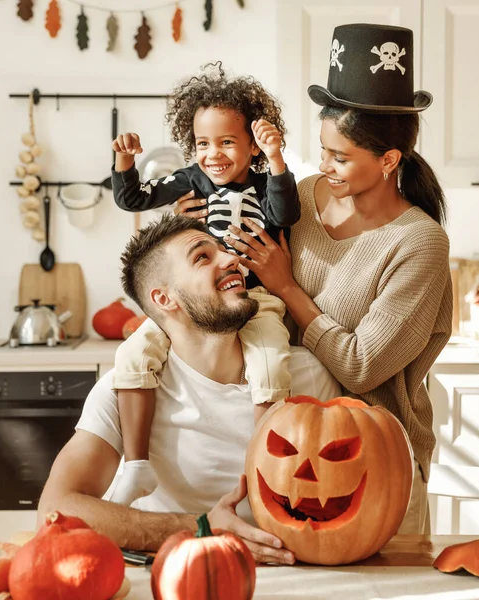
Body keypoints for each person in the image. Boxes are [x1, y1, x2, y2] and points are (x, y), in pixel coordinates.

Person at [192, 23, 453, 535]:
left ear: (389, 160)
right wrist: (195, 220)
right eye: (322, 150)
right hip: (283, 456)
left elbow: (362, 366)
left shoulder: (418, 242)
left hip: (372, 467)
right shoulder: (299, 197)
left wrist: (288, 287)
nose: (325, 167)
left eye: (341, 157)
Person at [37, 214, 341, 563]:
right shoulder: (124, 391)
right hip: (173, 572)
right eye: (202, 257)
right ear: (165, 299)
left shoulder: (308, 375)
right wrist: (203, 527)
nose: (232, 260)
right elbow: (55, 509)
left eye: (223, 250)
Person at [109, 62, 301, 506]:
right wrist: (125, 161)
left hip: (254, 299)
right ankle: (136, 465)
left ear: (252, 144)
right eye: (202, 143)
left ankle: (263, 466)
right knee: (134, 352)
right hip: (197, 303)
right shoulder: (190, 180)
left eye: (227, 142)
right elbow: (132, 198)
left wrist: (275, 161)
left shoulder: (265, 181)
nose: (213, 154)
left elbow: (286, 214)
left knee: (271, 360)